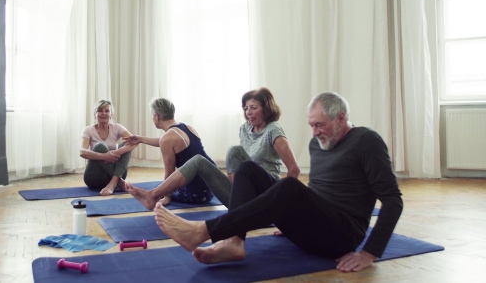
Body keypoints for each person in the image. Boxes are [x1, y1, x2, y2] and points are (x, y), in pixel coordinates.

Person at [154, 91, 403, 273]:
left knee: (289, 185)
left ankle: (203, 231)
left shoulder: (366, 141)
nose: (314, 132)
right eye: (311, 125)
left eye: (320, 125)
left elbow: (393, 200)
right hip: (312, 230)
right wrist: (293, 215)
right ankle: (234, 241)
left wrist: (369, 253)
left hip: (341, 237)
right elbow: (317, 192)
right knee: (248, 168)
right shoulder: (318, 144)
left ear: (340, 118)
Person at [124, 98, 232, 209]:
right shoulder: (188, 128)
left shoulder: (167, 139)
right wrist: (140, 139)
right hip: (212, 188)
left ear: (156, 116)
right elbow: (164, 141)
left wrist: (166, 196)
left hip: (196, 194)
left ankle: (151, 196)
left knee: (159, 186)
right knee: (160, 186)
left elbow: (169, 171)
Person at [225, 87, 301, 185]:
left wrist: (283, 196)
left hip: (267, 189)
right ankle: (236, 197)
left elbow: (294, 169)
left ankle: (238, 198)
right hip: (247, 188)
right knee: (200, 161)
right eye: (246, 108)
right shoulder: (244, 129)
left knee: (234, 150)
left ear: (266, 109)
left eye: (253, 107)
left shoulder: (273, 129)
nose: (248, 112)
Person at [80, 100, 137, 196]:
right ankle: (118, 181)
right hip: (94, 177)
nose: (103, 113)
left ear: (111, 114)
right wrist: (104, 156)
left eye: (107, 111)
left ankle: (114, 182)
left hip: (114, 174)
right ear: (95, 114)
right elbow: (82, 152)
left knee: (126, 145)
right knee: (99, 146)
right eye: (100, 111)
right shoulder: (88, 130)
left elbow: (135, 141)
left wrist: (119, 151)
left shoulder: (117, 127)